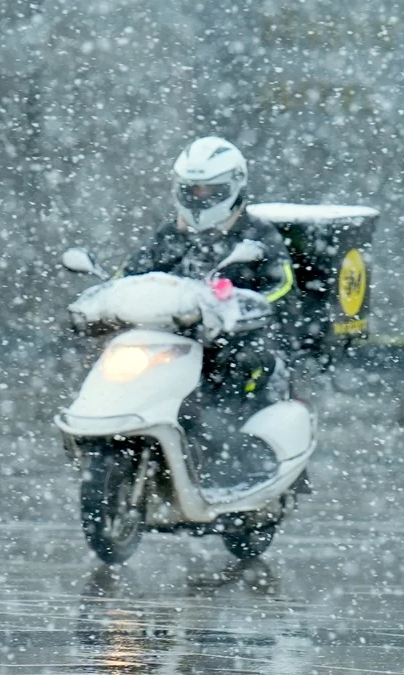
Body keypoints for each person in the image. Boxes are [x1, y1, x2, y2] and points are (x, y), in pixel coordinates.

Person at [117, 136, 297, 486]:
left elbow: (282, 285)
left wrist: (242, 308)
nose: (199, 198)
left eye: (209, 190)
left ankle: (241, 468)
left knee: (231, 383)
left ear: (234, 187)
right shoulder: (169, 235)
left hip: (238, 341)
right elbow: (129, 276)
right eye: (191, 190)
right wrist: (106, 297)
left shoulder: (256, 236)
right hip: (171, 341)